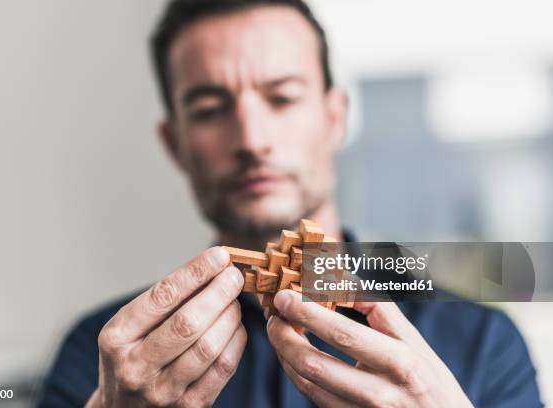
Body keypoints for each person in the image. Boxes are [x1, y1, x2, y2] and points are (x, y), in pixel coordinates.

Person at [38, 0, 542, 406]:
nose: (252, 139)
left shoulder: (483, 341)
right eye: (211, 110)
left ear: (334, 118)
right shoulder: (108, 358)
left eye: (281, 98)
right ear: (175, 145)